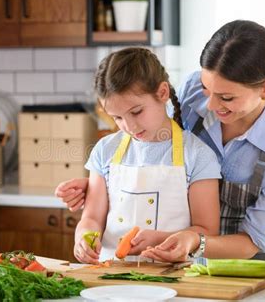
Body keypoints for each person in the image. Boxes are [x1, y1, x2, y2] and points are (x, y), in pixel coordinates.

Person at [57, 20, 265, 261]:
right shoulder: (192, 90)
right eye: (207, 89)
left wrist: (193, 240)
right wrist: (107, 182)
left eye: (226, 98)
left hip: (240, 264)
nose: (211, 105)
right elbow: (155, 142)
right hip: (178, 259)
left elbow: (253, 239)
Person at [73, 47, 222, 264]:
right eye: (118, 118)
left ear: (162, 93)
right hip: (112, 276)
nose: (129, 126)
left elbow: (207, 231)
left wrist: (161, 239)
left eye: (136, 112)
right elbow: (92, 218)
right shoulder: (105, 150)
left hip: (176, 277)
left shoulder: (198, 155)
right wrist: (84, 238)